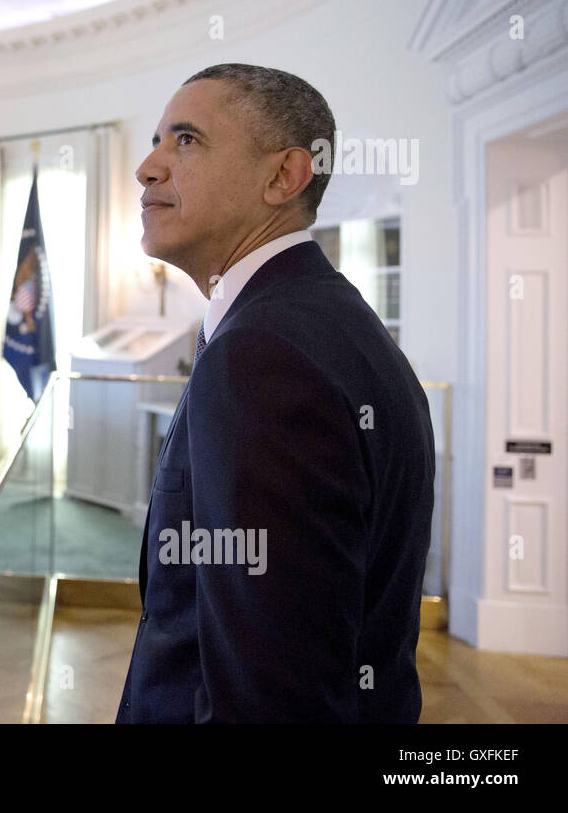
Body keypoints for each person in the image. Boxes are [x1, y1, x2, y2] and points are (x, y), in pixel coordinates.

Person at [116, 63, 435, 723]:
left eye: (186, 140)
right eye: (154, 141)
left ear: (283, 176)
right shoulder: (313, 321)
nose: (148, 167)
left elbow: (274, 702)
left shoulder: (265, 356)